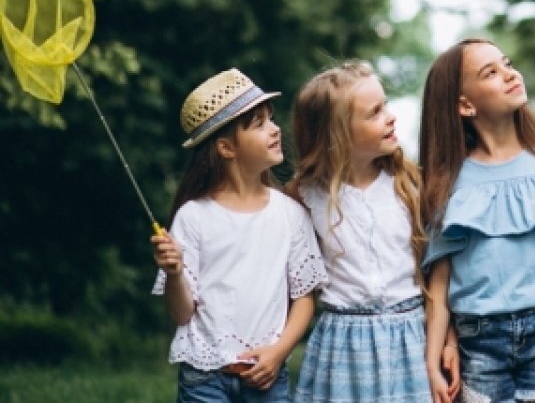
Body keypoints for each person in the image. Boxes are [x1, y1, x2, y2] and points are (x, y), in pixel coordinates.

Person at [418, 38, 535, 403]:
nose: (509, 74)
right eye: (490, 72)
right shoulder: (448, 184)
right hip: (479, 344)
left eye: (506, 63)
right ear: (465, 105)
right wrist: (431, 362)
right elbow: (440, 286)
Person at [150, 68, 328, 403]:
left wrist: (279, 352)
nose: (275, 130)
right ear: (227, 148)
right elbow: (181, 314)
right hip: (204, 381)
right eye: (259, 123)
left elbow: (305, 296)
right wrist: (174, 274)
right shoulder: (194, 216)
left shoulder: (290, 213)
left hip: (267, 379)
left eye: (271, 119)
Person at [286, 61, 448, 403]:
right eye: (374, 113)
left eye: (385, 105)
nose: (390, 117)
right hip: (342, 344)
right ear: (338, 133)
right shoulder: (304, 196)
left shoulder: (410, 186)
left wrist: (448, 341)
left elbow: (439, 274)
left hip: (412, 337)